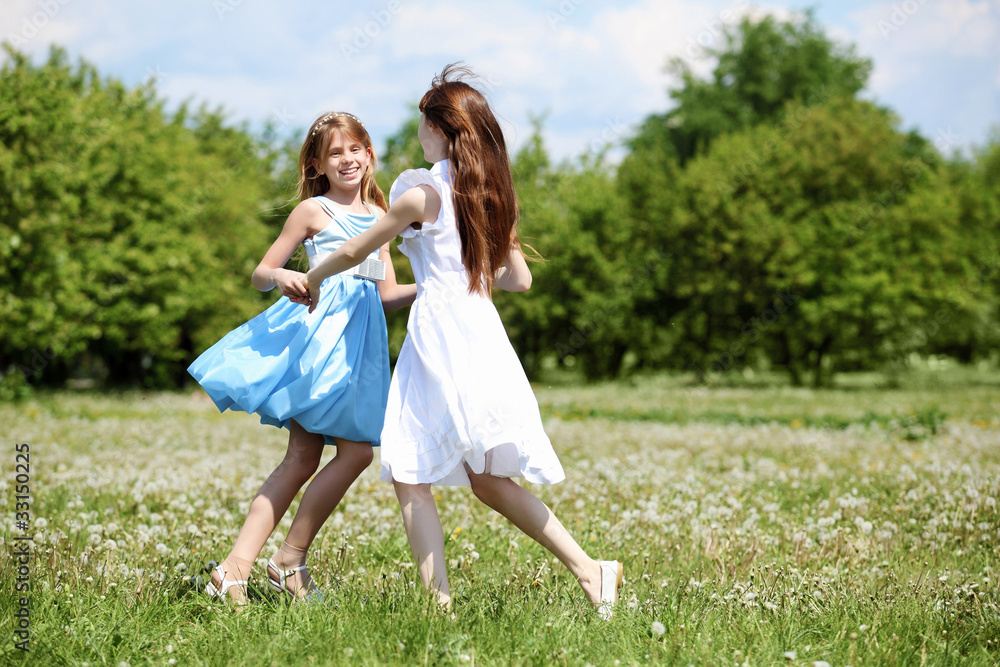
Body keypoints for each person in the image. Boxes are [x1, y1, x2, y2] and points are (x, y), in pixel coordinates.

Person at [302, 66, 623, 619]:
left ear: (439, 129)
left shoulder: (421, 191)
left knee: (411, 473)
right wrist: (462, 274)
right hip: (481, 332)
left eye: (423, 122)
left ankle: (440, 607)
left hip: (439, 337)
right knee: (488, 480)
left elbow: (357, 251)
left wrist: (310, 278)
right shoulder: (487, 193)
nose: (418, 132)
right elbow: (518, 279)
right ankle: (593, 573)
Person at [188, 111, 415, 604]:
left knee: (328, 455)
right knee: (325, 453)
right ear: (318, 163)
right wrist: (281, 277)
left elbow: (387, 293)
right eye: (335, 152)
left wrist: (438, 288)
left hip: (360, 349)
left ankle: (252, 567)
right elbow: (260, 271)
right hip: (321, 340)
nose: (347, 159)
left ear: (370, 154)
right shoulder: (313, 211)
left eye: (355, 149)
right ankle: (266, 565)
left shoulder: (382, 217)